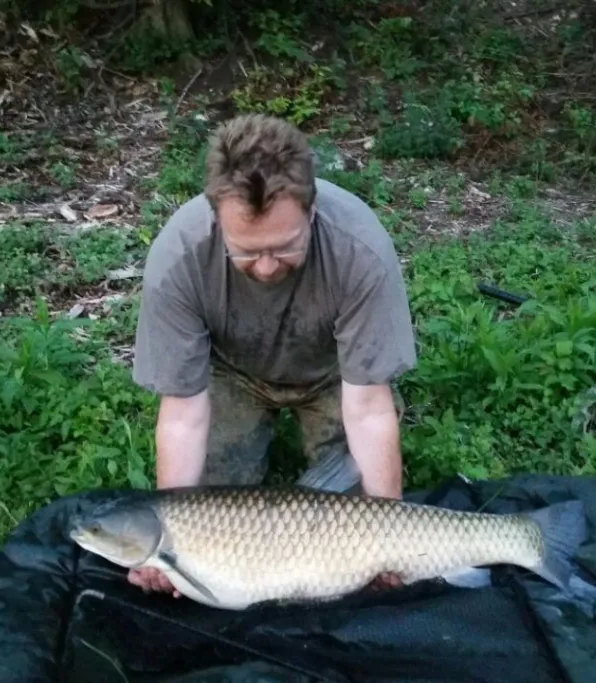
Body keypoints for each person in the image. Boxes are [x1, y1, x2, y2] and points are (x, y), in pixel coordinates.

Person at [128, 113, 417, 597]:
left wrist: (389, 529)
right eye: (245, 252)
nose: (264, 267)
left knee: (351, 537)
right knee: (214, 529)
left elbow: (368, 407)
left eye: (284, 247)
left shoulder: (359, 249)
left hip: (334, 376)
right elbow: (182, 415)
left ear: (312, 209)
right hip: (232, 374)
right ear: (216, 216)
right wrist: (168, 542)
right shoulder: (178, 259)